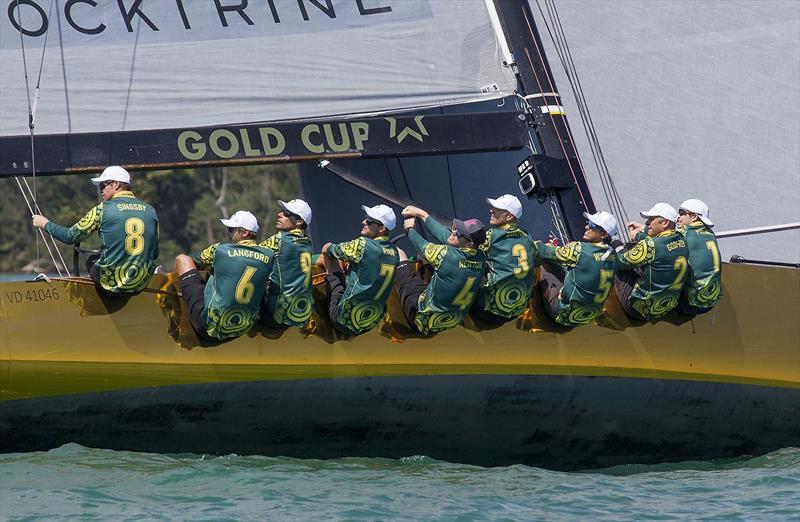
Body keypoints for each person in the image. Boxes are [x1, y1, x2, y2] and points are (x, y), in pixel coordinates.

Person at [32, 166, 159, 295]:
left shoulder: (102, 209)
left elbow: (70, 237)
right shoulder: (150, 211)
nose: (101, 191)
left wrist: (45, 224)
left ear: (116, 185)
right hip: (140, 285)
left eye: (103, 186)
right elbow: (155, 253)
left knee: (91, 259)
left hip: (111, 285)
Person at [175, 211, 274, 341]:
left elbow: (194, 260)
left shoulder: (219, 249)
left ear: (244, 232)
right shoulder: (269, 255)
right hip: (242, 329)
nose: (227, 233)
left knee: (182, 259)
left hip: (207, 328)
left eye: (231, 229)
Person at [396, 206, 486, 334]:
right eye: (456, 229)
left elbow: (421, 245)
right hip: (452, 320)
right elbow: (447, 237)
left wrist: (410, 229)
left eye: (458, 233)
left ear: (469, 244)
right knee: (426, 262)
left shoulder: (446, 255)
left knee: (399, 255)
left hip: (423, 319)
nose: (453, 232)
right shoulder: (481, 257)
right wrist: (423, 214)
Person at [319, 204, 399, 335]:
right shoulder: (394, 251)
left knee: (329, 256)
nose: (363, 222)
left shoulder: (363, 245)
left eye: (369, 221)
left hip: (343, 321)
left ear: (382, 228)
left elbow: (329, 249)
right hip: (369, 323)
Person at [537, 211, 618, 326]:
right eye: (588, 222)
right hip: (589, 316)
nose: (586, 226)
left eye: (592, 225)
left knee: (544, 264)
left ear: (604, 234)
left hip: (564, 314)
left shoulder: (578, 249)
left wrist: (545, 245)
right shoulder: (614, 256)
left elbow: (544, 252)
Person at [615, 203, 689, 320]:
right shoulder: (682, 240)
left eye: (651, 219)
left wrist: (616, 246)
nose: (646, 223)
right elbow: (662, 244)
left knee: (615, 266)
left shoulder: (650, 245)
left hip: (639, 310)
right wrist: (640, 234)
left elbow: (618, 263)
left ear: (665, 223)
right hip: (666, 307)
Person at [473, 194, 538, 323]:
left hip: (489, 312)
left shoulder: (491, 236)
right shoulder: (527, 237)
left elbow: (466, 246)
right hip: (516, 312)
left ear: (509, 216)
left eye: (497, 209)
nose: (491, 210)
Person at [259, 199, 314, 328]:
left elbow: (248, 258)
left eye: (286, 213)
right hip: (302, 315)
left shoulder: (279, 239)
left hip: (276, 317)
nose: (279, 214)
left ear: (299, 221)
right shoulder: (307, 242)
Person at [676, 199, 722, 314]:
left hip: (690, 304)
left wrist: (640, 233)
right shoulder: (710, 234)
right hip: (710, 302)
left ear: (694, 217)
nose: (678, 217)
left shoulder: (685, 234)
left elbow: (661, 243)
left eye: (682, 213)